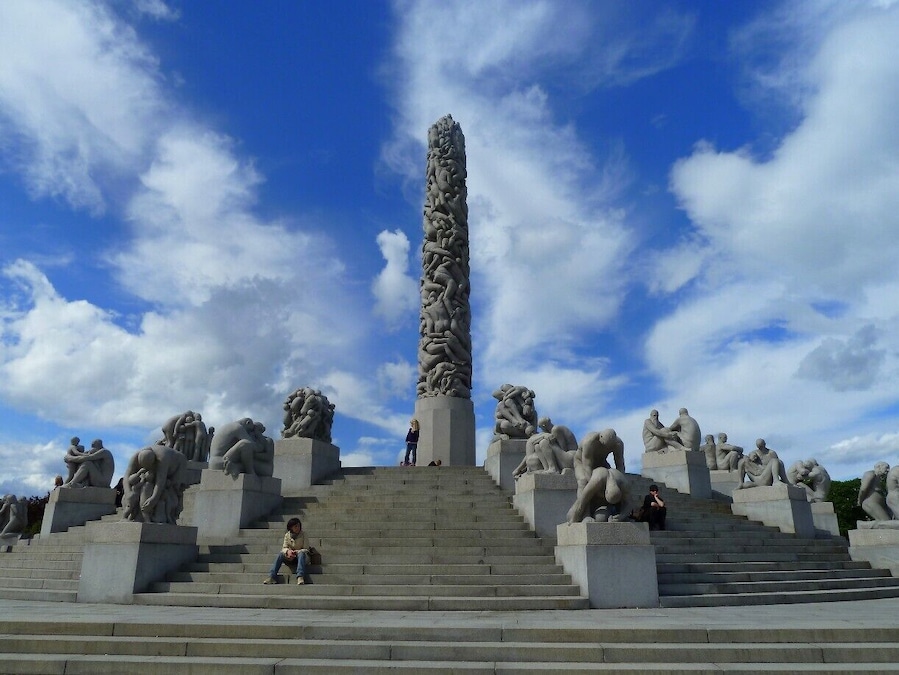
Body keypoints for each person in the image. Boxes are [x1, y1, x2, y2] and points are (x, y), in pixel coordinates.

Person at [264, 517, 310, 585]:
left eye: (299, 526)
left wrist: (296, 552)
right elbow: (284, 547)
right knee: (280, 554)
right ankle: (271, 576)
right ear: (291, 527)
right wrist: (288, 551)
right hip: (290, 557)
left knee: (301, 553)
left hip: (301, 557)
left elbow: (306, 549)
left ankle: (300, 576)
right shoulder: (287, 535)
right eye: (295, 526)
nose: (298, 528)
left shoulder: (304, 534)